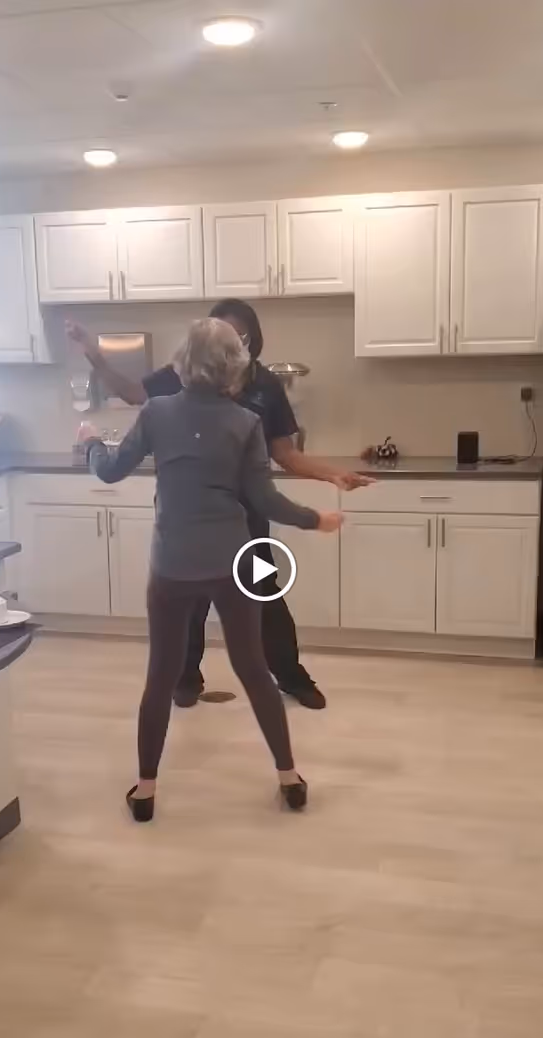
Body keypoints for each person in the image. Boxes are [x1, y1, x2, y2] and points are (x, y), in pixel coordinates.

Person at [79, 318, 342, 823]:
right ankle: (289, 777)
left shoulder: (157, 413)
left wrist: (92, 442)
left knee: (161, 675)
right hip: (231, 562)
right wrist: (317, 519)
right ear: (235, 368)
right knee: (253, 669)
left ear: (184, 360)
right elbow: (264, 499)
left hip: (173, 564)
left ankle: (146, 789)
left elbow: (110, 469)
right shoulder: (245, 422)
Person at [68, 300, 369, 711]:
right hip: (186, 524)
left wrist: (331, 474)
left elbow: (287, 454)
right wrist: (93, 353)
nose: (227, 344)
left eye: (238, 335)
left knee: (264, 594)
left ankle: (292, 677)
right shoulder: (180, 379)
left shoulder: (265, 386)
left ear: (250, 342)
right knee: (190, 604)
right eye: (220, 332)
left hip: (247, 526)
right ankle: (186, 679)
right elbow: (131, 392)